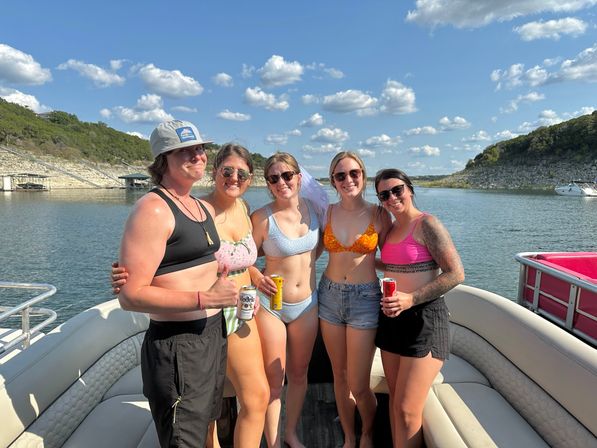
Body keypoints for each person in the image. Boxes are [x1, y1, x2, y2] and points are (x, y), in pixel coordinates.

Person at [113, 143, 269, 447]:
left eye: (242, 173)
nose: (234, 178)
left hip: (229, 315)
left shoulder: (218, 209)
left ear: (251, 178)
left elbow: (215, 261)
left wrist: (257, 276)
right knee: (197, 420)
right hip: (198, 320)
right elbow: (145, 269)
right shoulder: (178, 207)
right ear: (215, 172)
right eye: (227, 171)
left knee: (230, 403)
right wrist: (126, 277)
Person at [374, 168, 464, 448]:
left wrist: (411, 299)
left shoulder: (427, 224)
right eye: (384, 194)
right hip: (391, 317)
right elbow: (392, 265)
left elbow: (455, 273)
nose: (392, 197)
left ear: (409, 189)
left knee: (407, 409)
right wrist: (355, 260)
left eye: (397, 190)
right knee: (393, 402)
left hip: (424, 318)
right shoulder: (389, 230)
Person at [318, 151, 392, 448]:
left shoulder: (379, 214)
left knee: (359, 384)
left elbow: (392, 257)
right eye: (340, 175)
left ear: (363, 176)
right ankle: (349, 435)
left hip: (365, 300)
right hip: (330, 296)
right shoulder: (327, 212)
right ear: (333, 181)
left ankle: (368, 432)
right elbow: (307, 249)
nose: (348, 180)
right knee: (339, 375)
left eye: (354, 174)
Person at [249, 152, 321, 448]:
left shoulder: (316, 209)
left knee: (300, 373)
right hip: (272, 306)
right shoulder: (261, 217)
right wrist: (255, 277)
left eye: (287, 176)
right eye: (273, 178)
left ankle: (290, 432)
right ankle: (275, 441)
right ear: (267, 184)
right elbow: (246, 260)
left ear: (298, 177)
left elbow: (318, 251)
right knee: (275, 381)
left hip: (307, 304)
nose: (281, 182)